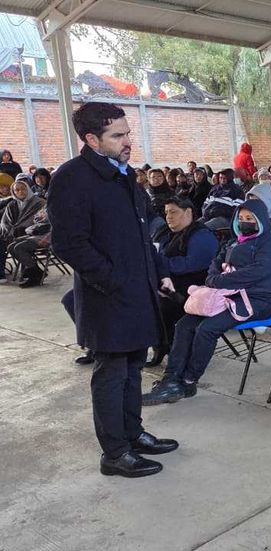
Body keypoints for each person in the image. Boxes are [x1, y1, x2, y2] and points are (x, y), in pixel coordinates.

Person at [47, 102, 178, 477]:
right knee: (112, 371)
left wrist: (160, 270)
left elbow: (141, 233)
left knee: (134, 365)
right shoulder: (72, 178)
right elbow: (69, 243)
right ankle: (115, 453)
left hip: (139, 290)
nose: (127, 141)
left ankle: (133, 434)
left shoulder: (123, 173)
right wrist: (112, 280)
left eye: (127, 133)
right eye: (117, 136)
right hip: (108, 297)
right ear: (92, 139)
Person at [142, 199, 271, 406]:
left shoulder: (270, 245)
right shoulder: (235, 241)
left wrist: (218, 281)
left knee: (207, 329)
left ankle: (189, 379)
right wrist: (213, 279)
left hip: (256, 299)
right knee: (184, 324)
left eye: (250, 219)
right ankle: (171, 380)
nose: (245, 222)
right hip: (224, 296)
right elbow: (215, 263)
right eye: (242, 218)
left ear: (261, 220)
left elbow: (255, 274)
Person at [147, 198, 220, 368]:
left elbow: (189, 265)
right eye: (166, 212)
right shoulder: (165, 232)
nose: (168, 217)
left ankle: (173, 349)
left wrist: (160, 263)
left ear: (188, 213)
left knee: (158, 305)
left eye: (173, 212)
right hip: (167, 283)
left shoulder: (202, 235)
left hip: (193, 289)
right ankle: (161, 347)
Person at [0, 178, 46, 282]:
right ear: (13, 192)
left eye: (23, 189)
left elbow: (39, 221)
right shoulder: (12, 204)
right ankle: (1, 273)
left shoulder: (39, 202)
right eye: (17, 190)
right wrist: (9, 229)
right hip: (12, 234)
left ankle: (32, 271)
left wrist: (20, 228)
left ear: (28, 189)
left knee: (15, 245)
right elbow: (5, 221)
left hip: (33, 234)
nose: (20, 192)